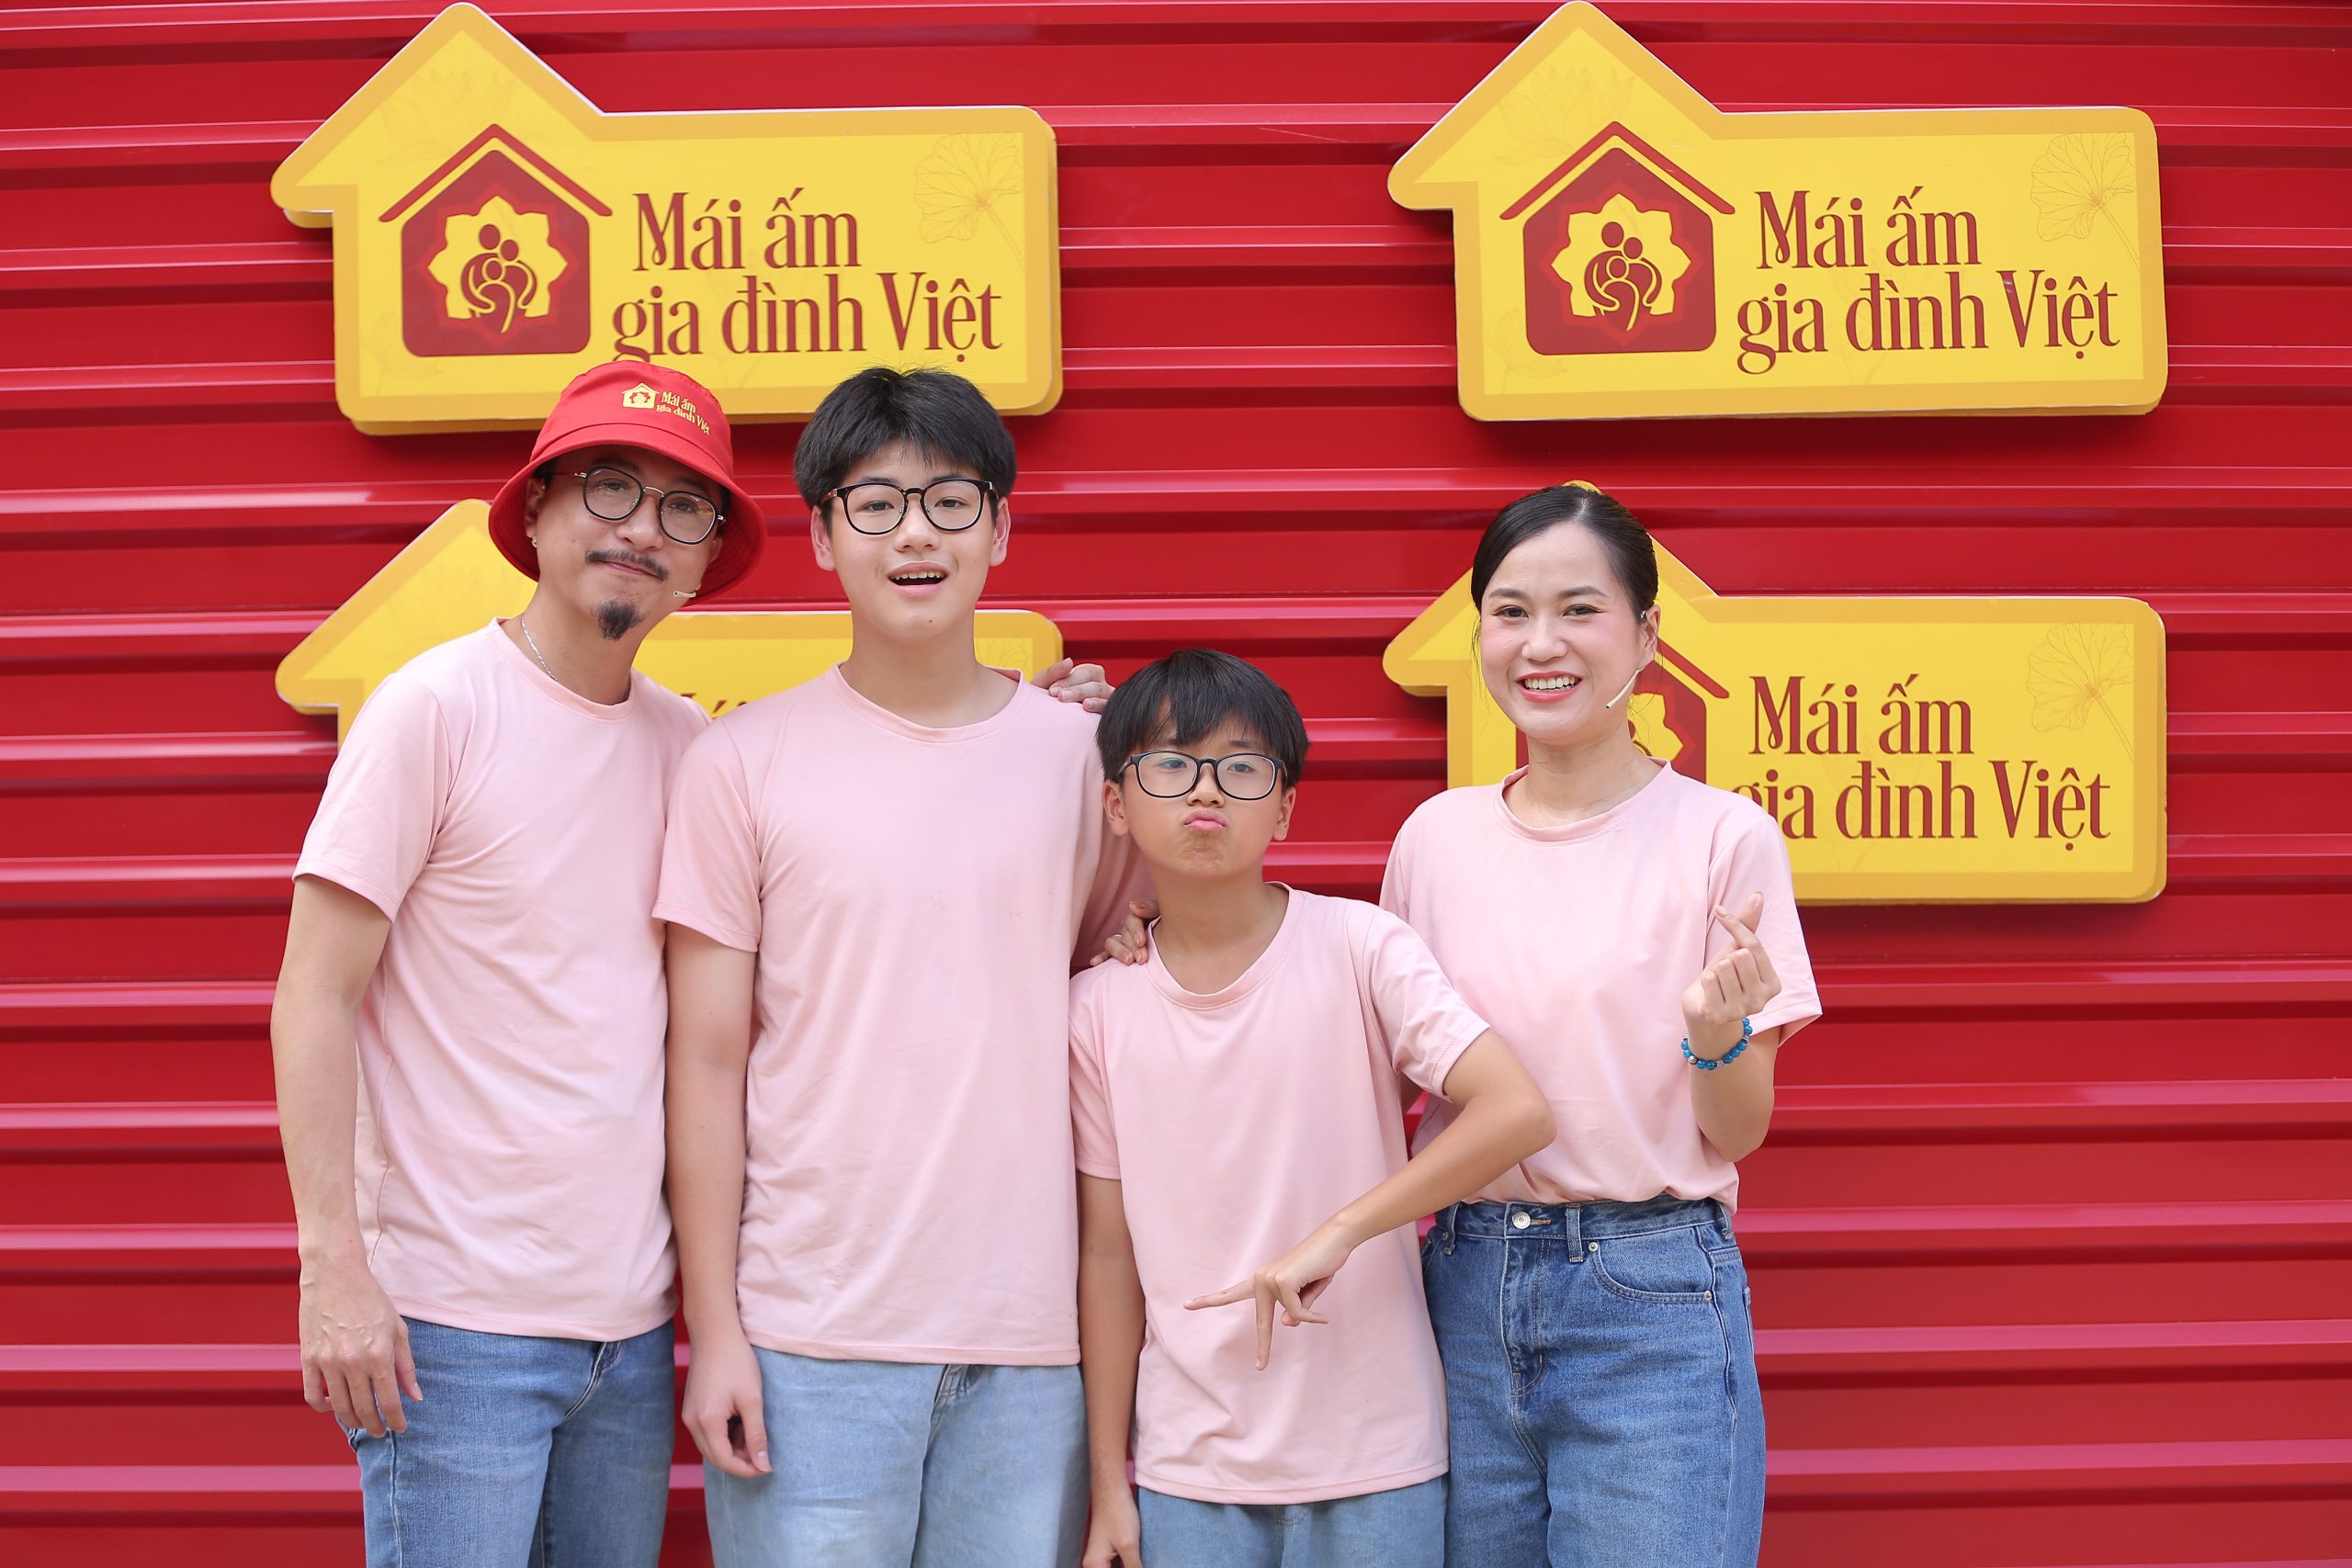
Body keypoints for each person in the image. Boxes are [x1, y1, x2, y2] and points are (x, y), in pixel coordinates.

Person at [269, 360, 761, 1567]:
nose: (642, 529)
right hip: (451, 1328)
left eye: (682, 507)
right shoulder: (434, 709)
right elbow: (314, 992)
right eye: (609, 487)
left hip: (629, 1334)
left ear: (706, 557)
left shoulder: (690, 745)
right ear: (537, 509)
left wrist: (1063, 761)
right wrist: (333, 1267)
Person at [657, 366, 1146, 1568]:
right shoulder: (740, 761)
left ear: (1000, 527)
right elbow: (705, 1062)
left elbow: (1113, 985)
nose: (915, 534)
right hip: (811, 1338)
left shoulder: (1087, 765)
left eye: (949, 500)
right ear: (824, 537)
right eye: (875, 504)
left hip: (1029, 1341)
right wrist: (716, 1330)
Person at [1379, 483, 1822, 1568]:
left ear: (1646, 636)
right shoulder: (1435, 838)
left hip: (1649, 1294)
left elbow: (1738, 1131)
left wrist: (1714, 1034)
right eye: (1510, 611)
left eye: (1579, 609)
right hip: (1462, 1287)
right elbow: (1375, 1071)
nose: (1542, 644)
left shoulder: (1723, 838)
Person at [1069, 649, 1554, 1568]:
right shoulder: (1095, 1009)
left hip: (1378, 1456)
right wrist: (1108, 1484)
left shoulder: (1361, 947)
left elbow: (1517, 1111)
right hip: (1190, 1469)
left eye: (1241, 767)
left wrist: (1342, 1229)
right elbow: (1107, 1255)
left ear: (1285, 807)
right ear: (1115, 804)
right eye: (1170, 764)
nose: (1205, 789)